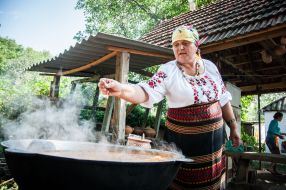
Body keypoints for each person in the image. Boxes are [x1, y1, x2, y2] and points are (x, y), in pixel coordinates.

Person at [98, 25, 240, 190]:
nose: (180, 47)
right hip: (184, 142)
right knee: (183, 182)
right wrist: (121, 89)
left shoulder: (210, 67)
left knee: (213, 183)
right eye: (175, 44)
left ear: (196, 45)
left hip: (214, 145)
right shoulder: (168, 71)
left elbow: (223, 98)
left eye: (185, 42)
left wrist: (234, 127)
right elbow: (145, 91)